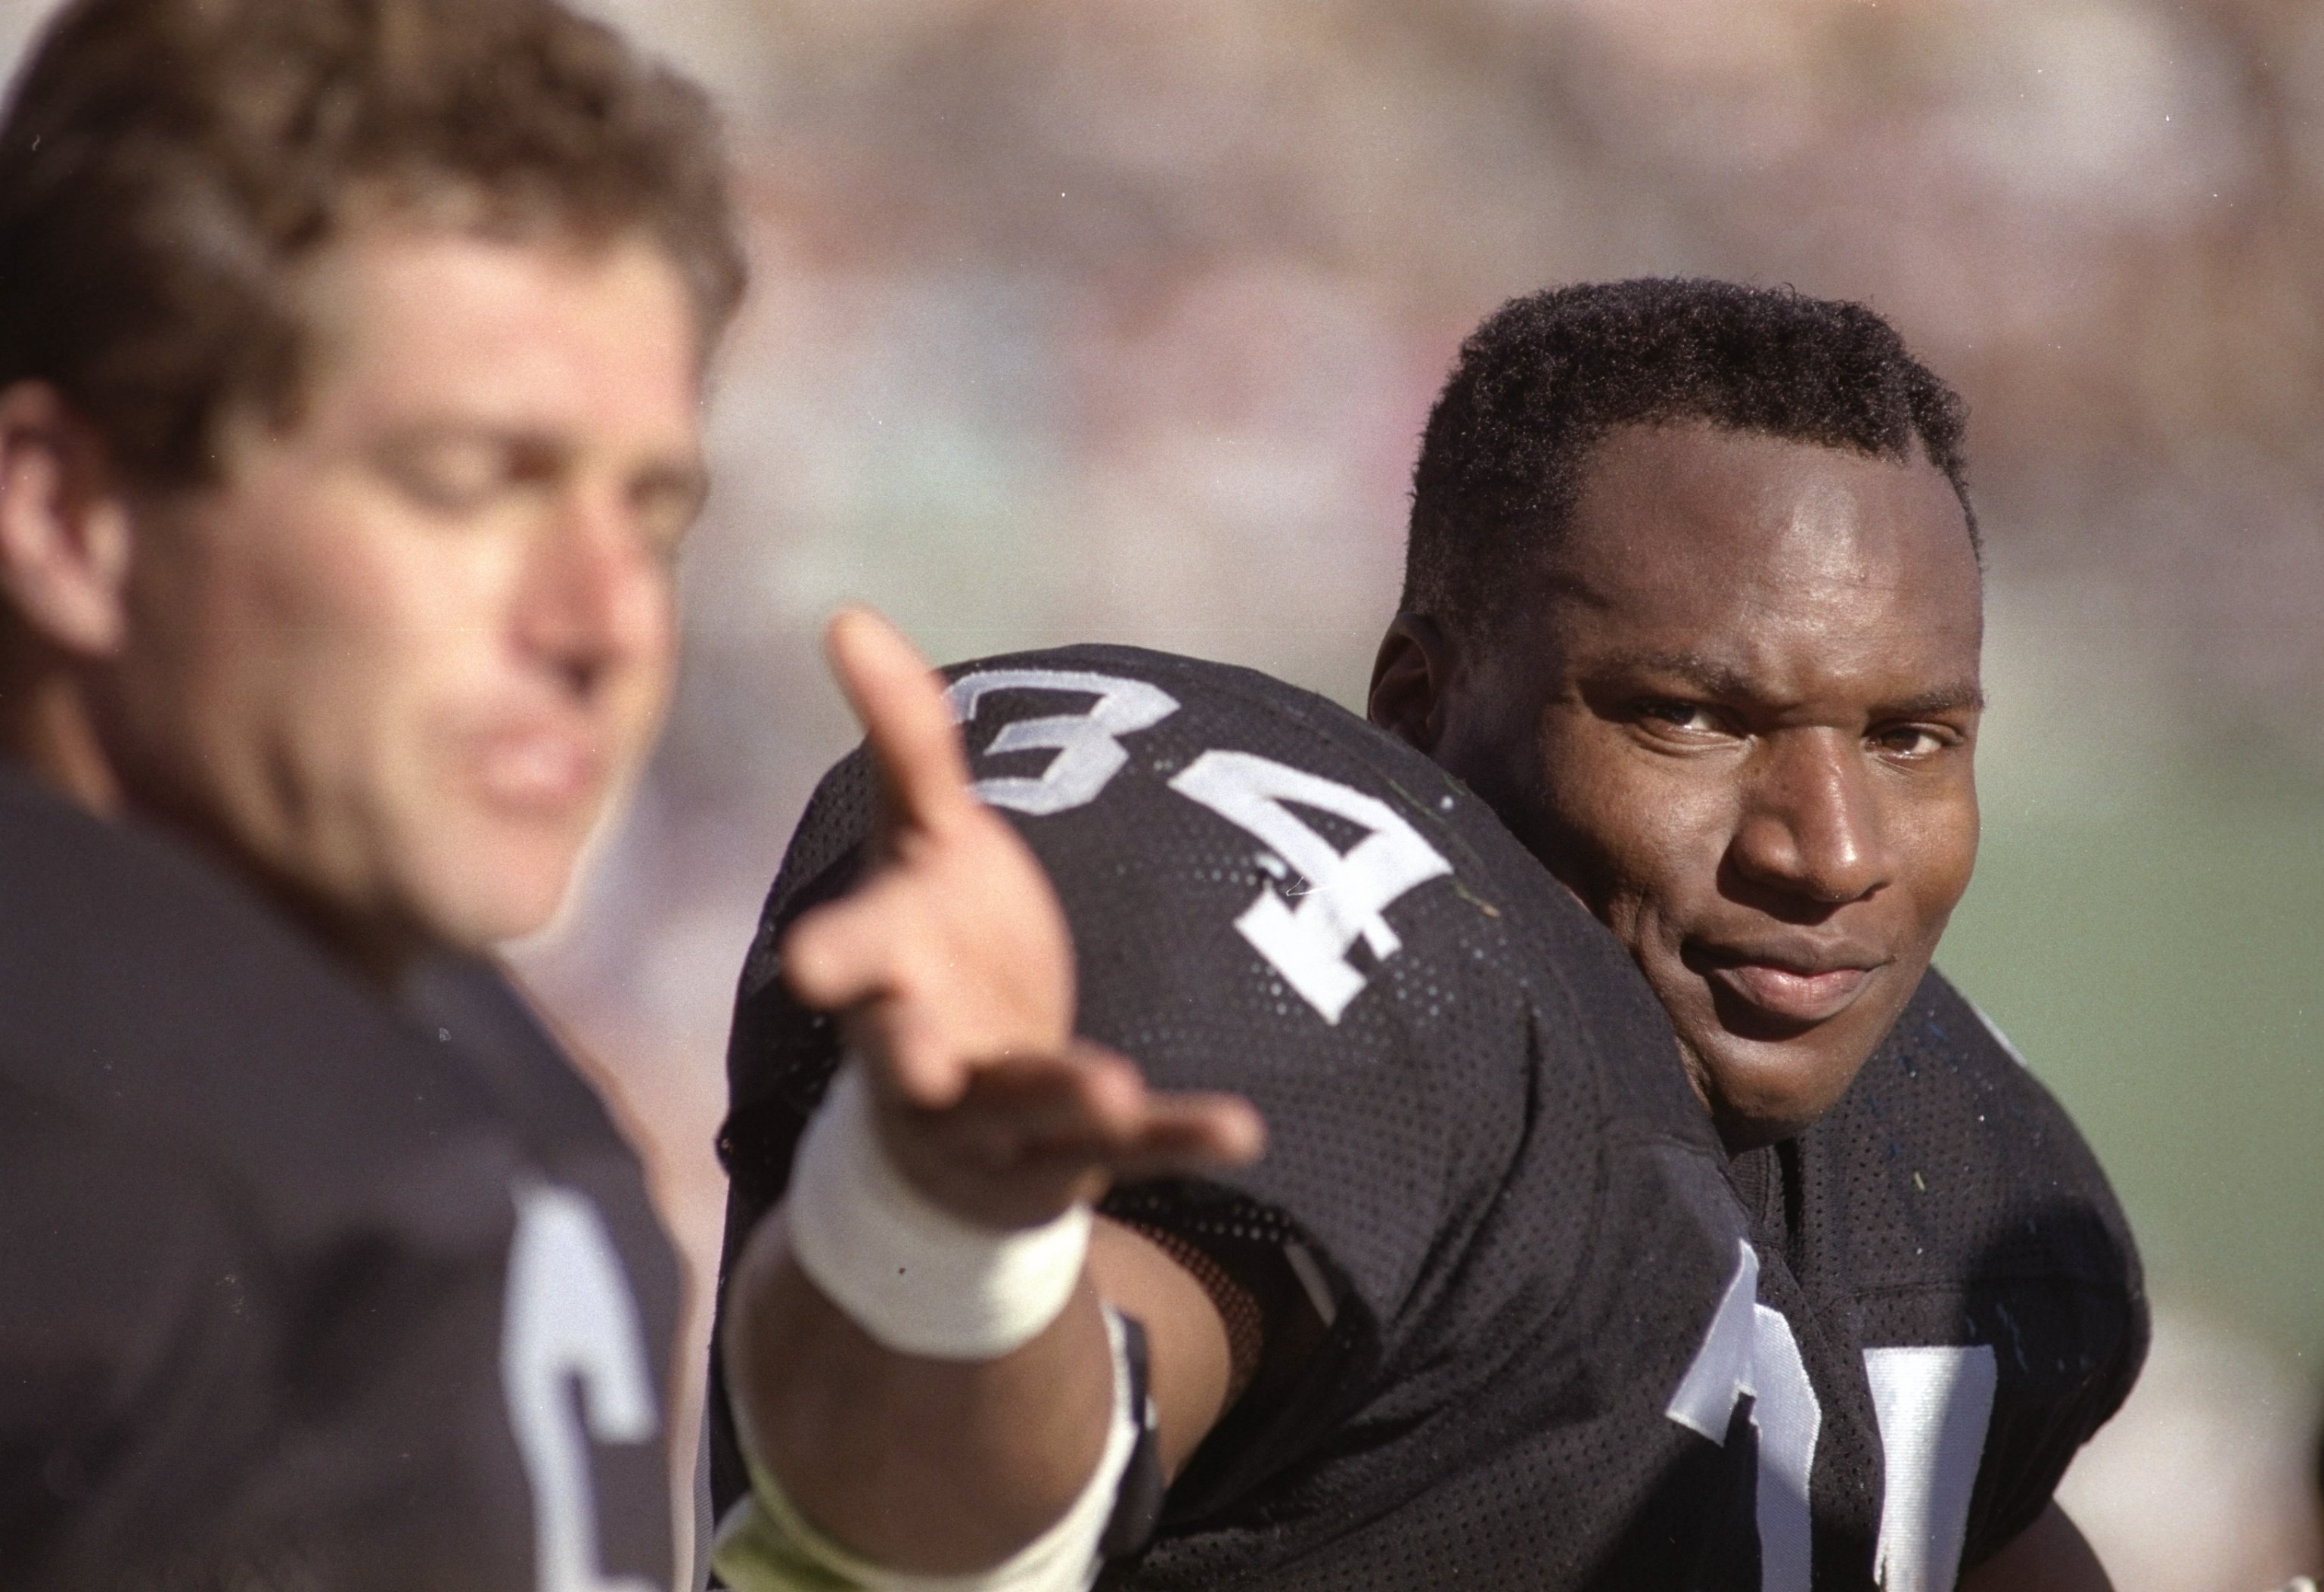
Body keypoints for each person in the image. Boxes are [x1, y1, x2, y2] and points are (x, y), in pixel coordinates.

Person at [708, 284, 2143, 1590]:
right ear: (1417, 711)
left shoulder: (1950, 1167)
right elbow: (946, 1494)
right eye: (1690, 716)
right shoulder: (1395, 1010)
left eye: (1910, 737)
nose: (1829, 851)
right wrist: (948, 1241)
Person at [0, 0, 743, 1584]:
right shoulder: (142, 1156)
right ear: (71, 514)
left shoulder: (486, 1082)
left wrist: (951, 1256)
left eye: (655, 516)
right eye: (469, 483)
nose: (604, 622)